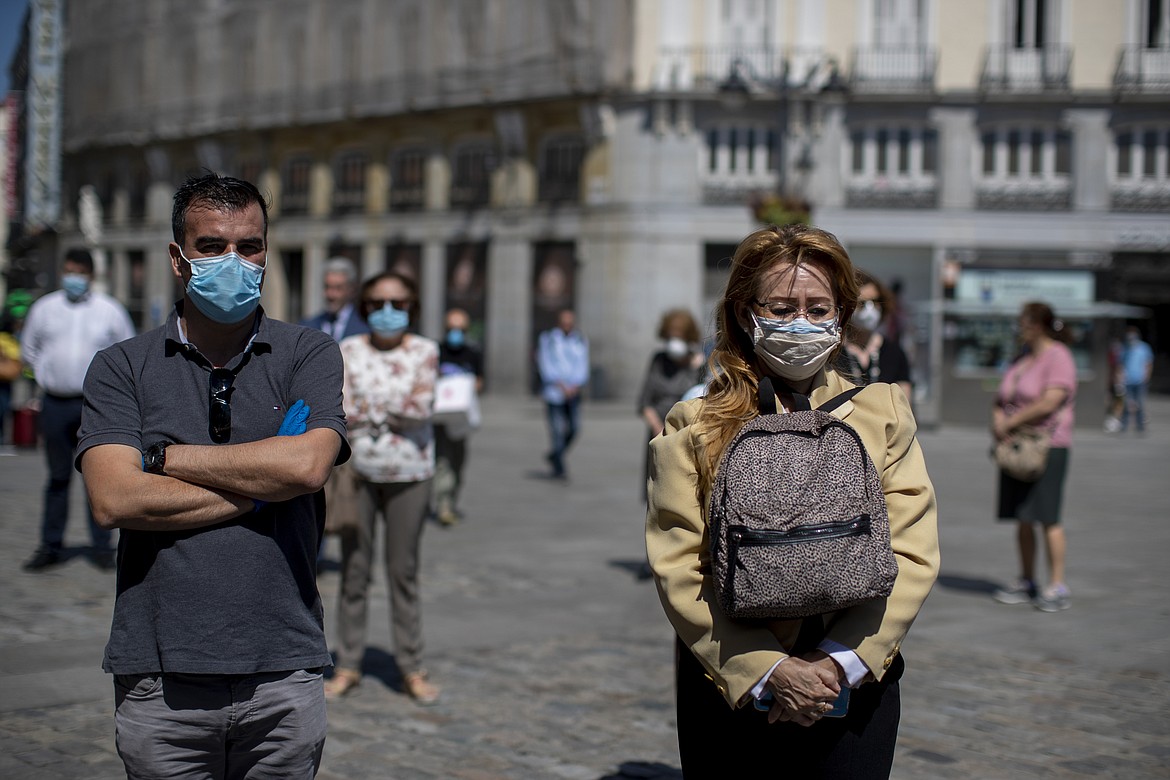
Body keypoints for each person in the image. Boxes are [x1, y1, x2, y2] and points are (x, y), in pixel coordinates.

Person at [75, 173, 349, 778]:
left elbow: (306, 466)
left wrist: (163, 457)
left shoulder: (310, 353)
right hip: (160, 676)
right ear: (178, 258)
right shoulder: (122, 366)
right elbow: (114, 499)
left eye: (250, 246)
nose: (234, 260)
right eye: (212, 246)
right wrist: (264, 486)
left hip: (284, 667)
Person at [645, 224, 939, 778]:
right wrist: (767, 668)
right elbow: (678, 564)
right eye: (780, 307)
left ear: (841, 315)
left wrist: (837, 663)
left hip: (854, 684)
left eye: (817, 307)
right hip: (732, 684)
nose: (800, 322)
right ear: (744, 312)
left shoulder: (884, 411)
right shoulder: (694, 425)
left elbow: (913, 552)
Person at [328, 271, 441, 704]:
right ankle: (349, 663)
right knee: (354, 571)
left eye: (397, 303)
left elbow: (421, 407)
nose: (387, 312)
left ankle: (411, 665)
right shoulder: (348, 350)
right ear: (365, 308)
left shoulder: (426, 351)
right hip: (357, 473)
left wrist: (372, 409)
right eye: (377, 303)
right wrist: (388, 410)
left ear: (412, 307)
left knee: (403, 572)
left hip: (411, 474)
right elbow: (342, 407)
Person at [21, 248, 135, 571]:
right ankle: (50, 545)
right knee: (57, 477)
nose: (73, 278)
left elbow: (127, 349)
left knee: (97, 476)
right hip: (55, 402)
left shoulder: (109, 311)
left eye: (79, 272)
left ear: (90, 275)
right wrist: (47, 372)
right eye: (69, 271)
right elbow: (29, 350)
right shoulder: (44, 309)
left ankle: (102, 547)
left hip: (95, 406)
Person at [991, 301, 1077, 613]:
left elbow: (1050, 401)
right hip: (1017, 446)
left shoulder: (1059, 356)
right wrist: (998, 419)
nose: (1020, 328)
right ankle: (1027, 579)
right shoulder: (1023, 358)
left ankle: (1057, 584)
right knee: (1023, 516)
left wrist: (1010, 422)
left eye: (1024, 322)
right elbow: (1002, 396)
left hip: (1047, 446)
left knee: (1048, 517)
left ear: (1038, 325)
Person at [434, 307, 484, 526]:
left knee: (458, 461)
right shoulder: (436, 351)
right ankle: (443, 504)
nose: (456, 333)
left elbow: (480, 381)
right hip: (440, 417)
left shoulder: (472, 353)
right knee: (442, 461)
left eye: (460, 329)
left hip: (461, 417)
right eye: (452, 328)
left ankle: (452, 499)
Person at [838, 269, 913, 401]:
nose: (870, 309)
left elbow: (904, 405)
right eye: (862, 304)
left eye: (875, 301)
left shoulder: (894, 352)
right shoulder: (834, 353)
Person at [537, 308, 589, 479]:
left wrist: (576, 384)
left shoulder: (580, 339)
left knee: (574, 428)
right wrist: (560, 384)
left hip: (573, 392)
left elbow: (582, 364)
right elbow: (545, 363)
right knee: (557, 430)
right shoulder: (549, 338)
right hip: (554, 391)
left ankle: (555, 454)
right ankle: (559, 467)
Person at [300, 256, 370, 341]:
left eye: (338, 288)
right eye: (327, 287)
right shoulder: (308, 326)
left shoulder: (365, 327)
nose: (331, 294)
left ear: (351, 289)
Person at [1118, 325, 1154, 434]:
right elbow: (1120, 365)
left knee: (1140, 404)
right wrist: (1120, 378)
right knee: (1126, 404)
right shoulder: (1124, 348)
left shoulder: (1144, 348)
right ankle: (1124, 425)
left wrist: (1146, 377)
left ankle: (1140, 427)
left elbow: (1148, 363)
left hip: (1140, 380)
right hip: (1127, 380)